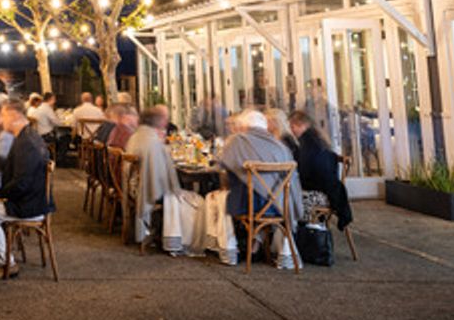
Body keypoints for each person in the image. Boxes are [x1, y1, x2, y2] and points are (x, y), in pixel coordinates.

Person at [0, 99, 53, 279]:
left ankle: (6, 263)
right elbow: (15, 171)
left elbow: (21, 183)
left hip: (29, 205)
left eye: (3, 115)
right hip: (34, 199)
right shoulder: (27, 136)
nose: (2, 120)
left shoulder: (26, 142)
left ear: (13, 115)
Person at [218, 109, 303, 241]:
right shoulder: (280, 146)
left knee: (215, 198)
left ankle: (228, 247)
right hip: (282, 205)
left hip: (252, 205)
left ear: (245, 126)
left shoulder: (237, 141)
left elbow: (222, 167)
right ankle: (258, 242)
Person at [128, 106, 199, 252]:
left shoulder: (137, 136)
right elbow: (160, 178)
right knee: (197, 201)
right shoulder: (152, 142)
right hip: (144, 190)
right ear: (159, 122)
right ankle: (185, 240)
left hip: (134, 185)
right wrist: (176, 188)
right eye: (165, 118)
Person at [289, 110, 353, 229]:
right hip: (330, 189)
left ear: (303, 125)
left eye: (293, 127)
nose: (292, 130)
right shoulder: (316, 139)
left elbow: (305, 172)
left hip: (319, 193)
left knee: (287, 198)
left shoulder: (307, 142)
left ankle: (299, 237)